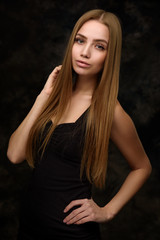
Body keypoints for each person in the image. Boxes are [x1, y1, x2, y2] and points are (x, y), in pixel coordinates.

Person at [7, 9, 152, 240]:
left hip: (70, 233)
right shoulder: (53, 96)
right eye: (80, 40)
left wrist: (108, 211)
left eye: (99, 46)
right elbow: (14, 155)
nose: (84, 52)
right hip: (30, 226)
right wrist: (43, 97)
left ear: (109, 56)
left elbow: (142, 167)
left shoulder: (110, 111)